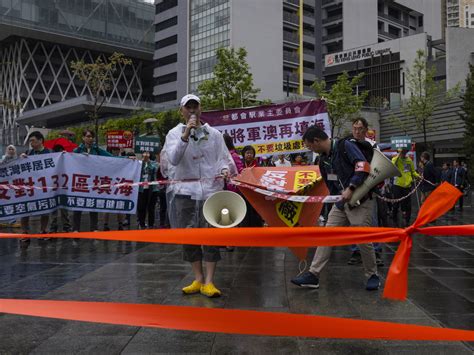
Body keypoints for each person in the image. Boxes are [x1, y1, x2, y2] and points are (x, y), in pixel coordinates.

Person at [161, 94, 236, 298]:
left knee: (211, 236)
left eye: (195, 106)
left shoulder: (214, 134)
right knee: (189, 236)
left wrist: (224, 170)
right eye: (188, 107)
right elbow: (174, 160)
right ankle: (198, 278)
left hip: (211, 192)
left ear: (201, 109)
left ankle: (210, 281)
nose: (192, 111)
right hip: (185, 193)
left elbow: (223, 158)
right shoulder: (174, 134)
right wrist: (186, 134)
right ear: (182, 111)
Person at [291, 125, 380, 291]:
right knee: (327, 235)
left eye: (310, 146)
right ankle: (313, 274)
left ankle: (372, 274)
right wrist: (335, 199)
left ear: (317, 141)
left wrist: (351, 187)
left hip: (361, 199)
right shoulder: (323, 160)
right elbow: (330, 184)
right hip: (341, 203)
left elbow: (362, 166)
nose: (311, 150)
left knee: (362, 237)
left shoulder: (345, 146)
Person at [347, 118, 384, 266]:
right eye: (355, 128)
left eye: (360, 128)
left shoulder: (373, 145)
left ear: (366, 129)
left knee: (371, 220)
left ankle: (376, 251)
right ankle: (356, 250)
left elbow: (379, 166)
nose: (357, 131)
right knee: (353, 221)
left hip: (368, 189)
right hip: (352, 187)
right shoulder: (347, 144)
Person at [72, 129, 113, 234]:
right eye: (88, 136)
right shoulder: (78, 150)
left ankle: (94, 227)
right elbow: (70, 158)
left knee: (93, 203)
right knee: (78, 204)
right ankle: (76, 228)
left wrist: (127, 158)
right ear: (83, 138)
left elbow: (112, 158)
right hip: (80, 181)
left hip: (93, 181)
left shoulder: (97, 149)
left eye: (91, 137)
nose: (90, 138)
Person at [19, 131, 51, 248]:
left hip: (44, 187)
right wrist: (21, 159)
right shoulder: (28, 153)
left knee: (45, 209)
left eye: (33, 140)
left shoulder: (49, 154)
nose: (31, 143)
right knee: (25, 209)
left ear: (40, 140)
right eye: (30, 141)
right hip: (30, 187)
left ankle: (43, 230)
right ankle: (24, 232)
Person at [391, 148, 420, 227]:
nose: (404, 153)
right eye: (402, 152)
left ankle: (407, 220)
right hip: (397, 185)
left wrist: (418, 176)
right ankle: (394, 220)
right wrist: (398, 156)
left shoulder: (409, 160)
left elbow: (413, 171)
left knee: (408, 205)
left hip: (407, 185)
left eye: (405, 152)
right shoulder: (395, 159)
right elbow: (392, 166)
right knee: (396, 204)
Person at [49, 144, 71, 234]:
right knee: (54, 208)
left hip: (63, 188)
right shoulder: (50, 160)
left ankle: (66, 226)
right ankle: (54, 227)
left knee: (64, 208)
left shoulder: (66, 160)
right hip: (53, 187)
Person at [103, 146, 125, 231]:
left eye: (117, 150)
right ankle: (105, 224)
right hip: (108, 184)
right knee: (106, 205)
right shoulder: (106, 160)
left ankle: (120, 224)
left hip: (118, 184)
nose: (116, 151)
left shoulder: (122, 159)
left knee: (119, 204)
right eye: (114, 150)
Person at [137, 151, 159, 229]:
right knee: (141, 207)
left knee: (151, 208)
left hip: (153, 189)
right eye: (144, 153)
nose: (146, 154)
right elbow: (137, 172)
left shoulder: (155, 163)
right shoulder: (139, 163)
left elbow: (154, 170)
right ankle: (141, 224)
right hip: (141, 189)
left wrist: (148, 162)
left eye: (147, 153)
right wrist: (143, 162)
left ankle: (151, 225)